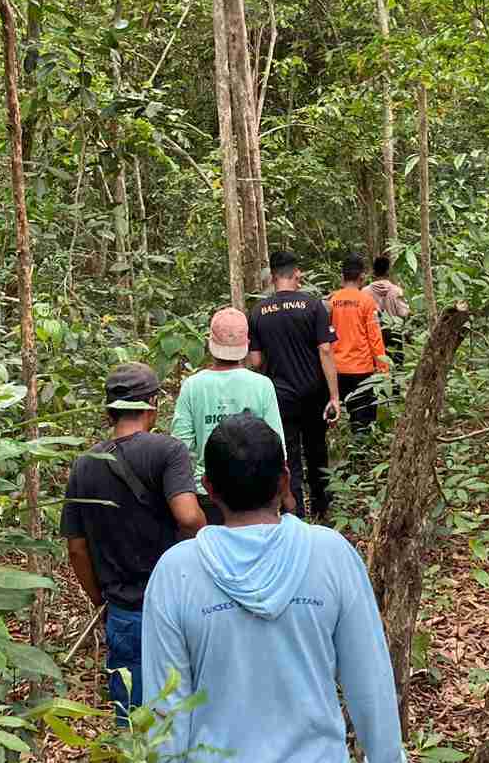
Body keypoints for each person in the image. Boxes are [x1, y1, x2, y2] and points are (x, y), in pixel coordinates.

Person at [141, 415, 403, 763]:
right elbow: (371, 686)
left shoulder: (176, 571)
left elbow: (165, 712)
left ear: (208, 487)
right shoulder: (331, 555)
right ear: (284, 481)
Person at [60, 362, 205, 722]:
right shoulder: (168, 451)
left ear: (110, 410)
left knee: (132, 719)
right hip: (174, 602)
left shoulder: (84, 464)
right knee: (185, 707)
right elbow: (187, 516)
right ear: (151, 404)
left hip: (123, 610)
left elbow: (76, 548)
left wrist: (100, 597)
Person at [170, 306, 294, 523]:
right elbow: (277, 445)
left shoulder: (193, 386)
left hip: (209, 491)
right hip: (257, 490)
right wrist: (286, 495)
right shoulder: (261, 385)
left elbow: (181, 446)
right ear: (246, 344)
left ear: (210, 343)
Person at [248, 249, 341, 519]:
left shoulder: (258, 312)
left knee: (289, 456)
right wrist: (334, 397)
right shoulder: (314, 306)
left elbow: (255, 361)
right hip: (314, 393)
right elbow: (325, 351)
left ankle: (296, 512)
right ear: (296, 273)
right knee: (316, 451)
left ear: (272, 277)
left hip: (280, 397)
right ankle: (323, 509)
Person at [330, 254, 391, 434]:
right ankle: (361, 456)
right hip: (361, 370)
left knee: (339, 414)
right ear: (362, 277)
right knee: (362, 420)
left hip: (337, 369)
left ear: (342, 276)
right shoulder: (366, 301)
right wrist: (383, 367)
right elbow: (374, 336)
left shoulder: (332, 301)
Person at [368, 255, 410, 389]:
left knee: (376, 365)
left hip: (373, 334)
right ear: (388, 271)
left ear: (373, 272)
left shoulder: (365, 292)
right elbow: (404, 313)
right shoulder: (396, 291)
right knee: (397, 365)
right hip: (394, 333)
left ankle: (378, 394)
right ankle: (396, 395)